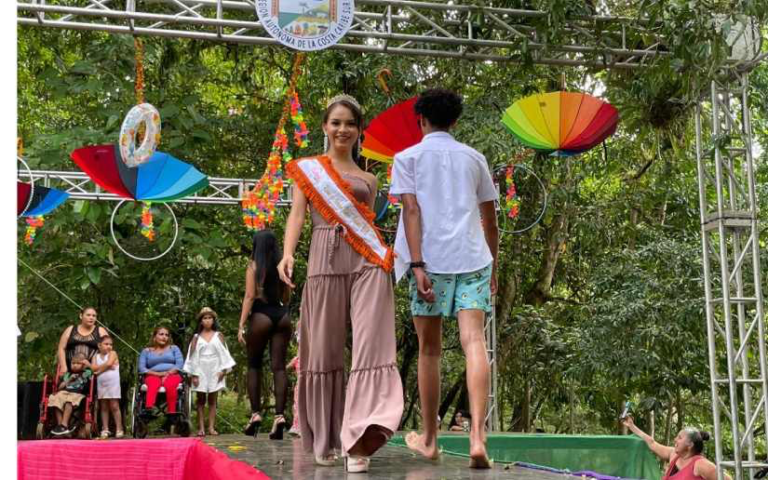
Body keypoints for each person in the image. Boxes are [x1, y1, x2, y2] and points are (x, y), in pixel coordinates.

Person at [278, 94, 404, 473]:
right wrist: (287, 254)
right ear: (325, 127)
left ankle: (359, 441)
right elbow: (297, 216)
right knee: (322, 350)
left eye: (350, 123)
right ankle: (324, 439)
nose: (342, 129)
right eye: (336, 122)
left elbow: (372, 221)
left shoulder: (370, 177)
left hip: (367, 260)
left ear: (358, 130)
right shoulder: (308, 169)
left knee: (370, 346)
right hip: (324, 257)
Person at [390, 88, 499, 469]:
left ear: (421, 120)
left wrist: (417, 264)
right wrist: (493, 266)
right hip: (473, 259)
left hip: (430, 263)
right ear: (455, 121)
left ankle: (431, 439)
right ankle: (477, 437)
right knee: (474, 343)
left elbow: (411, 209)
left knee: (429, 350)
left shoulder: (406, 158)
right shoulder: (475, 158)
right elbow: (490, 218)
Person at [238, 230, 292, 440]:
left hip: (261, 315)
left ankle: (255, 414)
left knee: (254, 365)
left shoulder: (253, 266)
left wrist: (241, 324)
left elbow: (250, 296)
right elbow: (286, 295)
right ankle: (279, 417)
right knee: (279, 367)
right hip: (281, 315)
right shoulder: (284, 266)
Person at [623, 416, 730, 480]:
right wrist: (632, 426)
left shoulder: (700, 464)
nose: (675, 440)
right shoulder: (673, 454)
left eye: (679, 438)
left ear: (690, 444)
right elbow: (652, 443)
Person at [185, 307, 236, 437]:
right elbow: (192, 356)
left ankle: (211, 427)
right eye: (204, 318)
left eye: (209, 318)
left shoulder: (219, 335)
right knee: (200, 400)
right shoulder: (196, 337)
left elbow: (224, 354)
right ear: (201, 321)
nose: (207, 320)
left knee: (213, 399)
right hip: (200, 368)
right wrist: (194, 374)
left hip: (215, 368)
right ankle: (201, 428)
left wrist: (223, 371)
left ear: (213, 320)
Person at [138, 326, 184, 414]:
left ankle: (172, 411)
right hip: (153, 375)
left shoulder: (174, 348)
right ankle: (149, 408)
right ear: (155, 336)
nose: (164, 337)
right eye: (161, 334)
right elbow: (142, 368)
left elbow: (179, 364)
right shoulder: (146, 351)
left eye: (166, 335)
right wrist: (158, 374)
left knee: (170, 383)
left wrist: (167, 374)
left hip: (172, 374)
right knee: (153, 383)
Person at [48, 352, 93, 436]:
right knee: (55, 398)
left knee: (69, 401)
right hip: (65, 392)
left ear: (83, 364)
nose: (75, 365)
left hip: (78, 394)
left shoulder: (86, 373)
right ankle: (60, 425)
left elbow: (95, 371)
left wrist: (88, 364)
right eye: (73, 363)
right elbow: (60, 387)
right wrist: (68, 380)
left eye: (78, 363)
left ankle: (64, 425)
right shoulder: (68, 374)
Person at [57, 306, 108, 374]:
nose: (91, 318)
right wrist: (63, 366)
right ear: (81, 316)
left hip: (92, 373)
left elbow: (108, 351)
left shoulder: (101, 331)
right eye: (88, 315)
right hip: (69, 371)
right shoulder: (70, 329)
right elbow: (61, 348)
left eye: (94, 316)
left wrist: (99, 368)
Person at [91, 335, 124, 439]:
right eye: (106, 344)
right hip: (102, 385)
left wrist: (99, 371)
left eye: (111, 344)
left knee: (114, 406)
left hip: (113, 384)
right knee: (104, 407)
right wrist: (106, 366)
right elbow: (93, 368)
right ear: (99, 345)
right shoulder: (95, 356)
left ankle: (119, 428)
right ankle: (105, 429)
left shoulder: (113, 353)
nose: (109, 346)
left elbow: (109, 363)